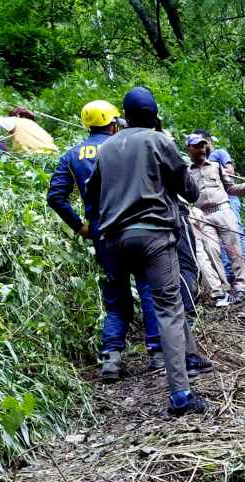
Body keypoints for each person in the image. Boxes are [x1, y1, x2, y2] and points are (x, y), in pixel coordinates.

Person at [84, 86, 214, 416]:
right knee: (169, 305)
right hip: (153, 237)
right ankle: (181, 395)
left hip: (114, 240)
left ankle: (190, 355)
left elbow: (91, 192)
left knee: (150, 299)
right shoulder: (159, 141)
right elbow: (189, 189)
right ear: (154, 116)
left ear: (124, 118)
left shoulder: (108, 147)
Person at [46, 100, 163, 380]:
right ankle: (158, 353)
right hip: (136, 224)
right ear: (113, 123)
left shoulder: (71, 155)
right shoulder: (123, 145)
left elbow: (55, 197)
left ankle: (111, 357)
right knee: (147, 287)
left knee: (116, 293)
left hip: (103, 233)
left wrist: (80, 227)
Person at [185, 133, 245, 306]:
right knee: (211, 252)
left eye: (203, 145)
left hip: (224, 210)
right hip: (202, 216)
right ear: (188, 149)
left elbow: (232, 188)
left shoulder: (217, 166)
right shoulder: (186, 172)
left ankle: (241, 287)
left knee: (234, 249)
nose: (201, 149)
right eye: (196, 146)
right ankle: (224, 290)